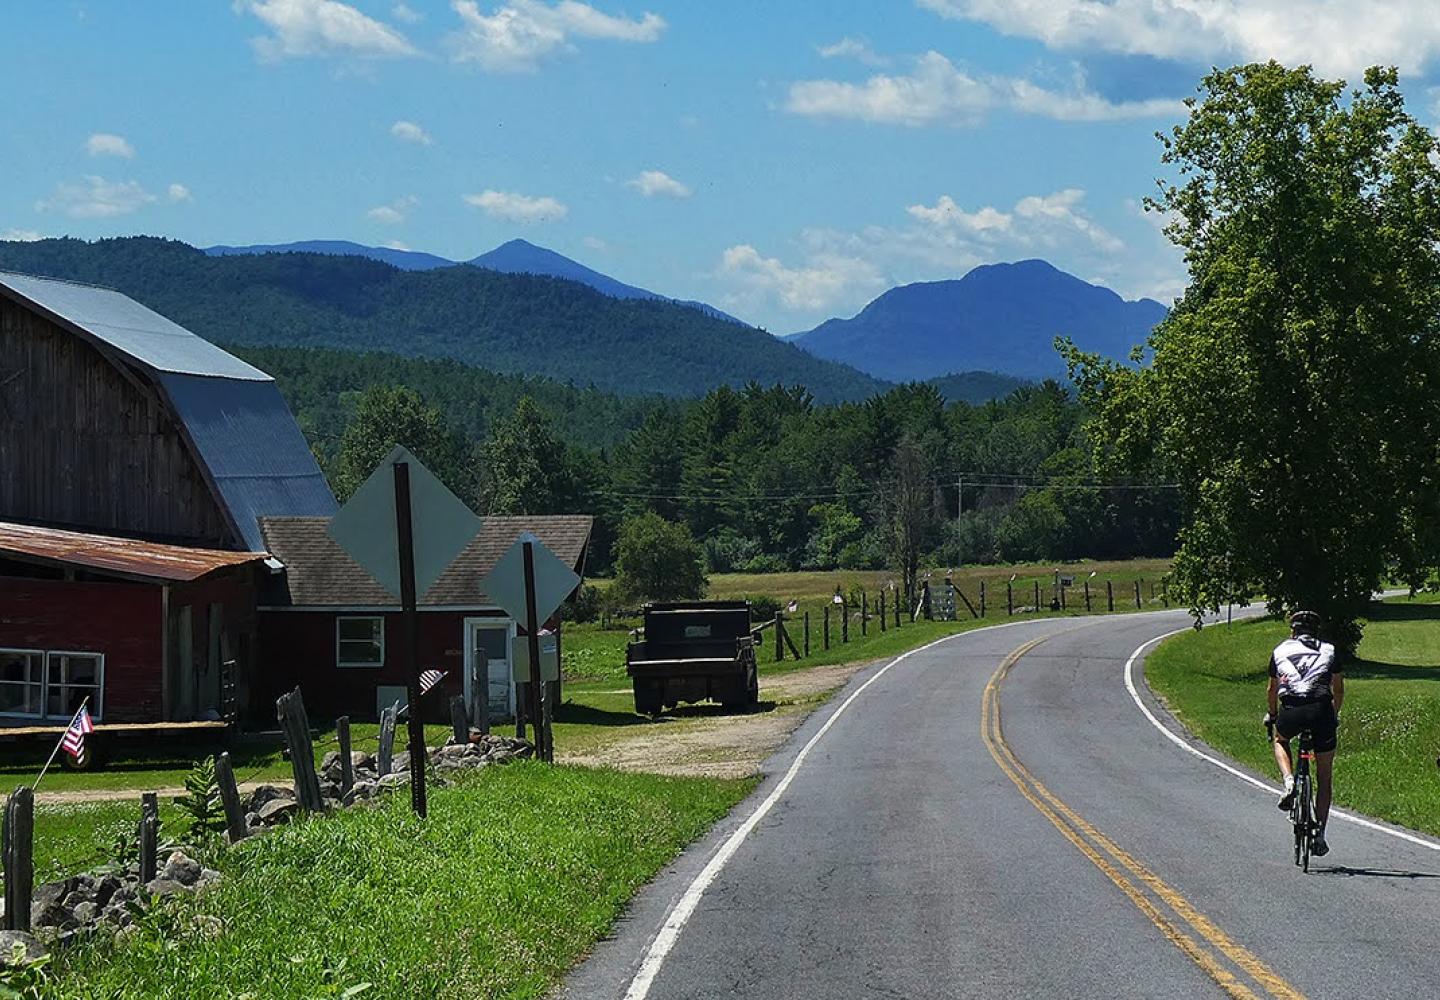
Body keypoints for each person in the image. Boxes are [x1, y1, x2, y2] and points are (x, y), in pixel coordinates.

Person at [1267, 610, 1343, 856]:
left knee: (1280, 739)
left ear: (1293, 631)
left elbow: (1272, 688)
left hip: (1292, 709)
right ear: (1316, 632)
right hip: (1322, 711)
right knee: (1324, 779)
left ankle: (1289, 781)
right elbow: (1338, 688)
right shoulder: (1330, 650)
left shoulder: (1280, 650)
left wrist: (1273, 715)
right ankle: (1319, 834)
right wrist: (1334, 714)